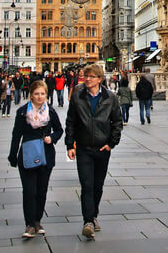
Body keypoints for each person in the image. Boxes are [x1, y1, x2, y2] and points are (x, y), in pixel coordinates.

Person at [65, 64, 123, 240]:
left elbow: (117, 122)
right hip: (83, 148)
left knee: (98, 185)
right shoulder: (77, 97)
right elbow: (70, 122)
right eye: (85, 76)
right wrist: (69, 145)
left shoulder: (110, 98)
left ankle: (94, 215)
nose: (87, 79)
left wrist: (111, 143)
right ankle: (88, 221)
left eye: (91, 77)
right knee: (87, 185)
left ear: (99, 79)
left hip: (102, 149)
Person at [8, 81, 63, 238]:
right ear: (31, 94)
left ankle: (37, 220)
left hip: (46, 154)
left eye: (43, 94)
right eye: (37, 94)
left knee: (41, 190)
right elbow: (16, 135)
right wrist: (13, 155)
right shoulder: (22, 112)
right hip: (27, 155)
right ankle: (30, 224)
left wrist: (51, 138)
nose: (40, 97)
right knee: (29, 190)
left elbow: (59, 130)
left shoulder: (50, 112)